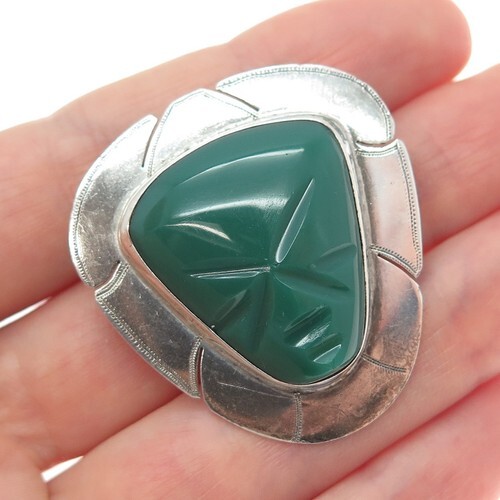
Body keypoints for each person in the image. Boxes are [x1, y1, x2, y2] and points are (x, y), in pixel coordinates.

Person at [0, 0, 499, 497]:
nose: (289, 292)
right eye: (234, 282)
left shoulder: (318, 149)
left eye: (303, 241)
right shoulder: (142, 235)